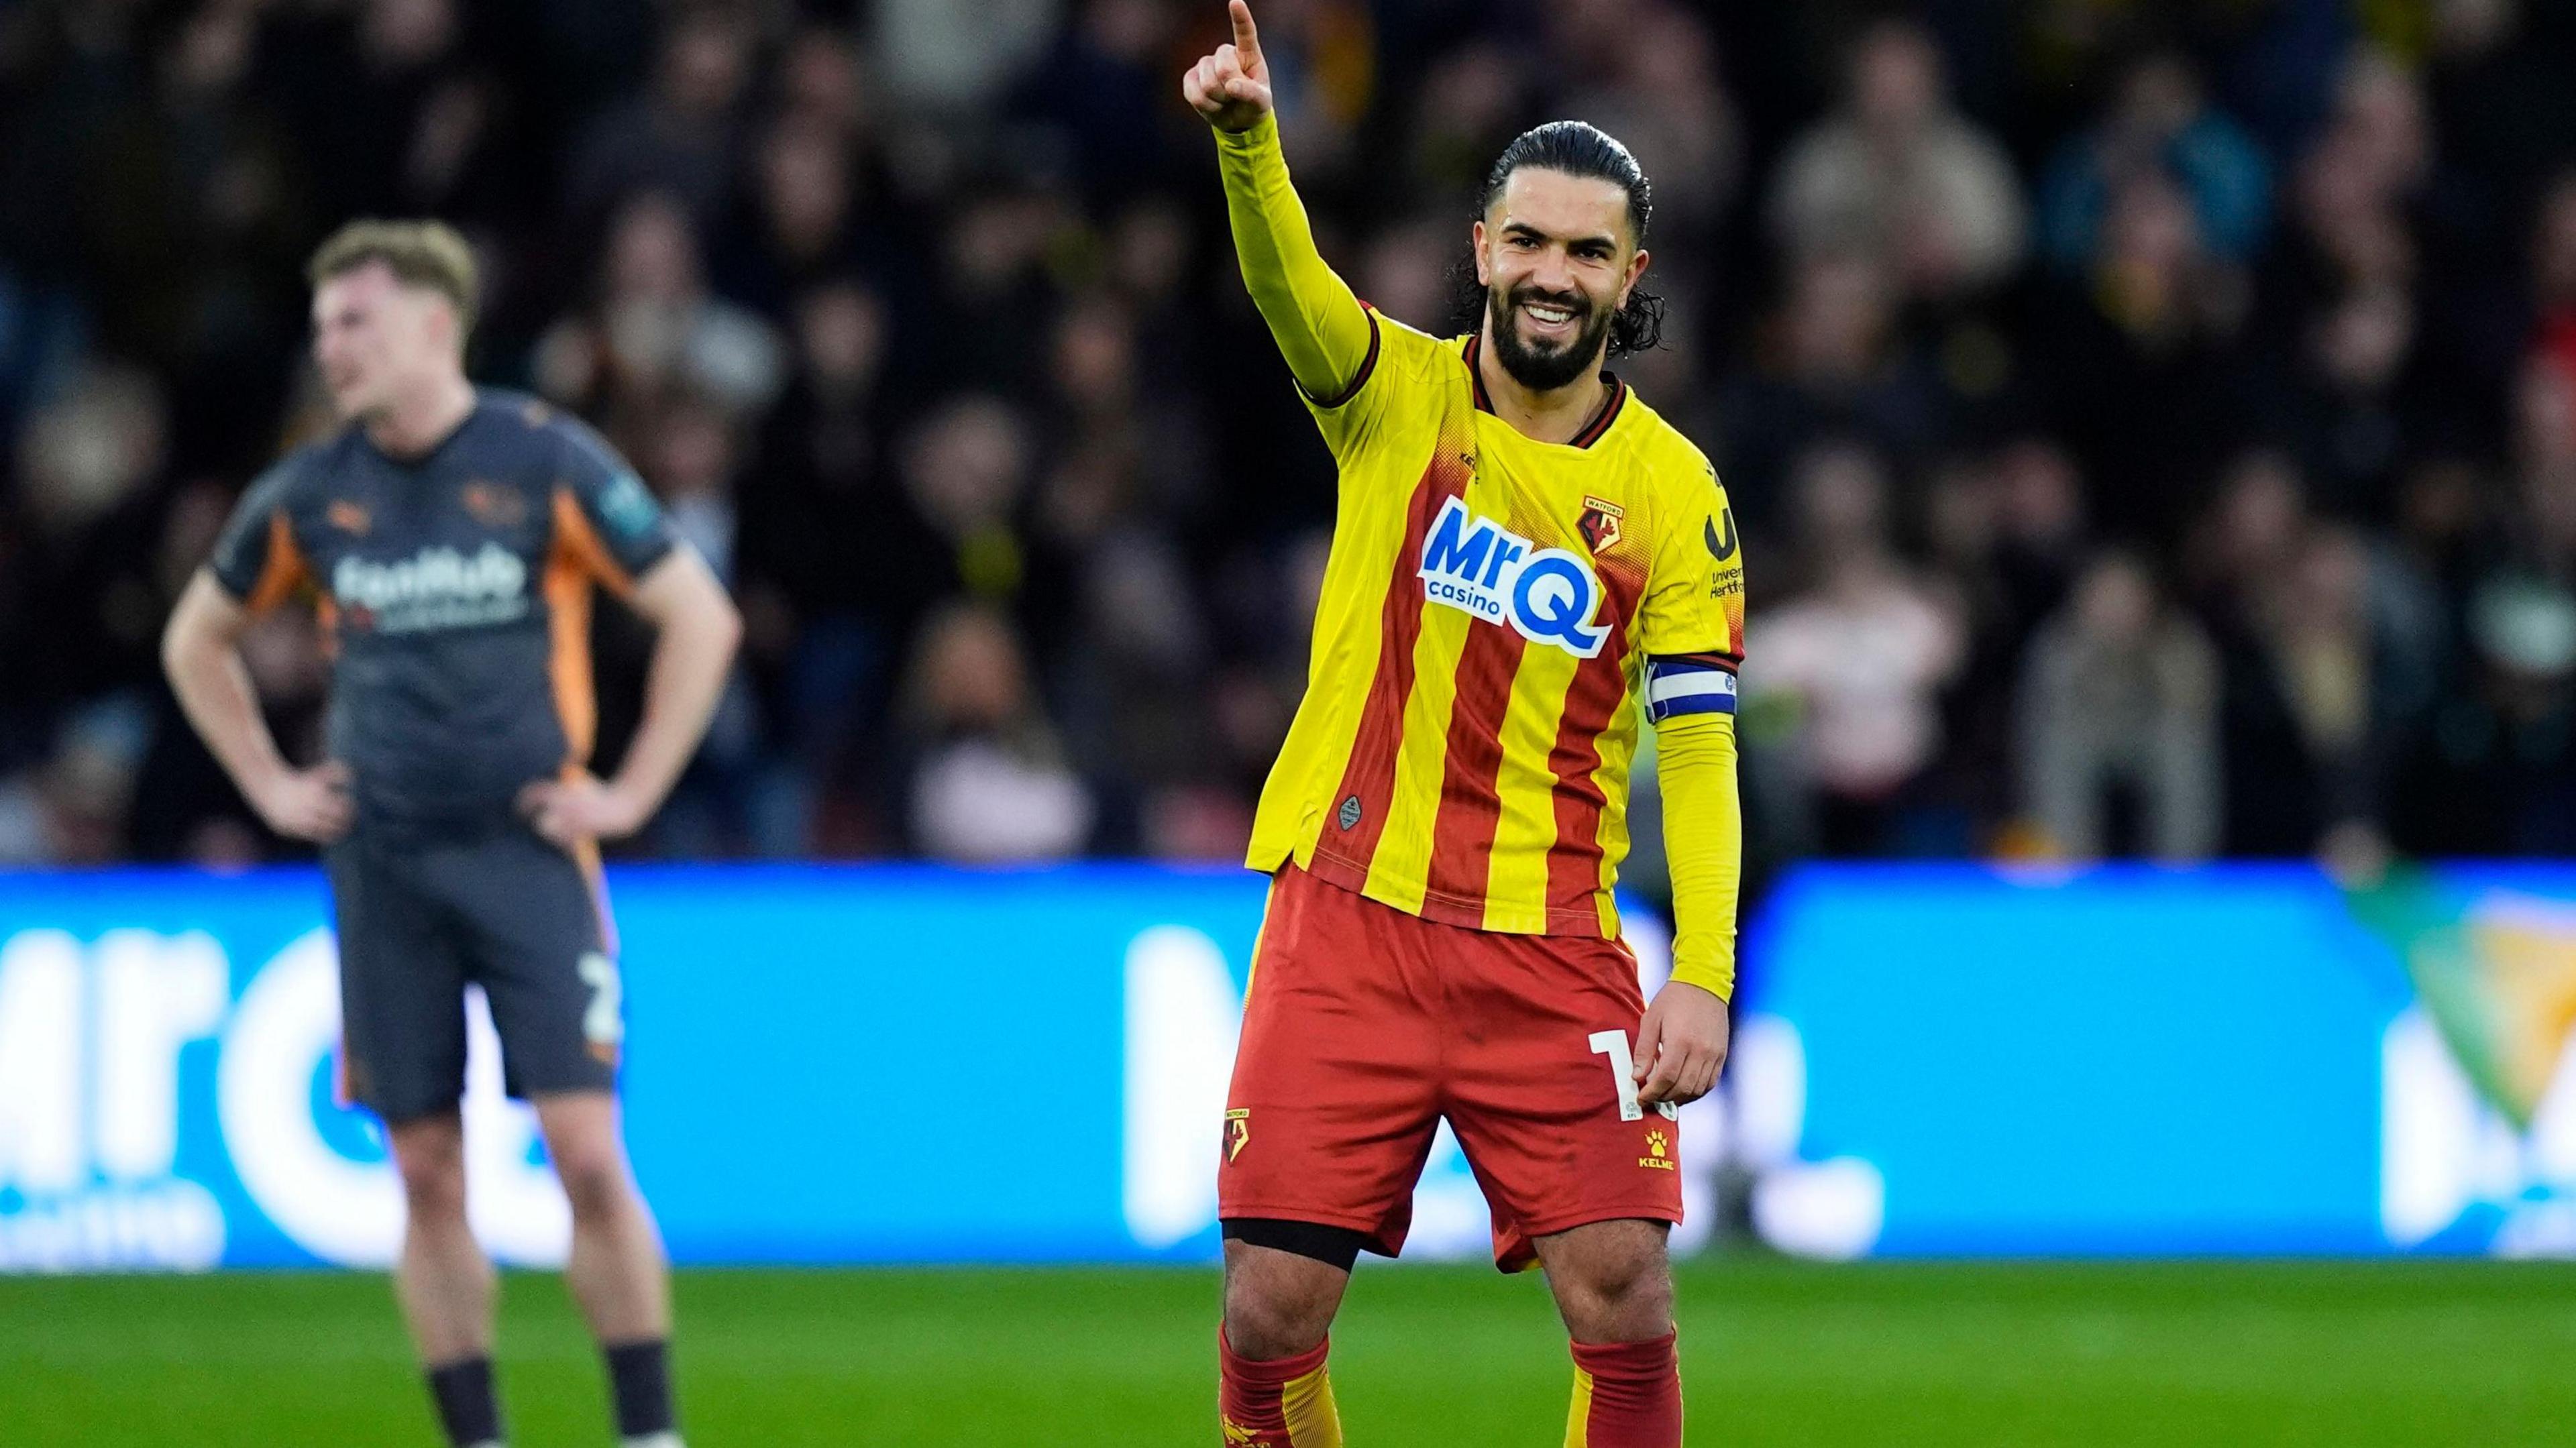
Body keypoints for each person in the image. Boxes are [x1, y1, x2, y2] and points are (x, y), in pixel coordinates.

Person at [1183, 7, 1745, 1445]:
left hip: (1548, 945)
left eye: (1586, 251)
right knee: (1266, 1310)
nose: (1554, 275)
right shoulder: (1396, 400)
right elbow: (1284, 287)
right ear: (1485, 248)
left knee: (1626, 1296)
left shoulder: (1678, 497)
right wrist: (1253, 147)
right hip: (1348, 916)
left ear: (1631, 278)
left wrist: (1705, 973)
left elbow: (1697, 741)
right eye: (1531, 242)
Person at [161, 220, 741, 1448]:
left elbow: (701, 617)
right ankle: (477, 1436)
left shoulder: (543, 461)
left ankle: (649, 1433)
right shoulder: (312, 492)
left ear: (436, 323)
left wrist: (630, 792)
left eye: (354, 323)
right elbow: (192, 639)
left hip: (528, 849)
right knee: (424, 1170)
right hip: (385, 863)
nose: (332, 351)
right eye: (321, 330)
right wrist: (268, 781)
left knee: (585, 1152)